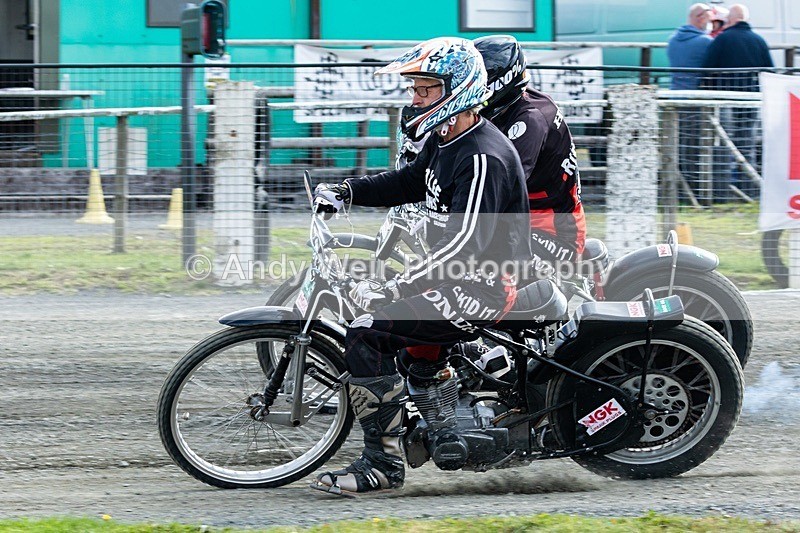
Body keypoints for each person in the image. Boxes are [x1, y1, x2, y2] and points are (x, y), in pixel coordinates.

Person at [310, 37, 531, 495]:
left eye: (424, 89)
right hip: (454, 274)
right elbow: (411, 181)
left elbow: (466, 249)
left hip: (481, 287)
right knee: (404, 340)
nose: (415, 99)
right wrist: (349, 192)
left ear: (458, 89)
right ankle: (440, 413)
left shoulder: (482, 157)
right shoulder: (449, 137)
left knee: (368, 330)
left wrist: (392, 288)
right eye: (414, 89)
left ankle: (382, 465)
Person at [474, 35, 586, 273]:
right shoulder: (505, 110)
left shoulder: (529, 121)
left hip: (551, 231)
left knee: (477, 269)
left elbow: (502, 186)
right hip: (520, 221)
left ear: (499, 81)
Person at [703, 4, 773, 200]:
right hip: (750, 100)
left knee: (723, 145)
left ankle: (721, 192)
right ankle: (749, 190)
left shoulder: (721, 40)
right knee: (746, 144)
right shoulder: (759, 41)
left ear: (730, 20)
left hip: (724, 100)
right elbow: (769, 71)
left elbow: (707, 68)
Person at [666, 4, 713, 201]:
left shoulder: (672, 41)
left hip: (675, 97)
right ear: (700, 18)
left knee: (678, 146)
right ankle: (693, 190)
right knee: (694, 147)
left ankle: (677, 188)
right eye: (708, 19)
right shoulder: (705, 42)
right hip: (694, 99)